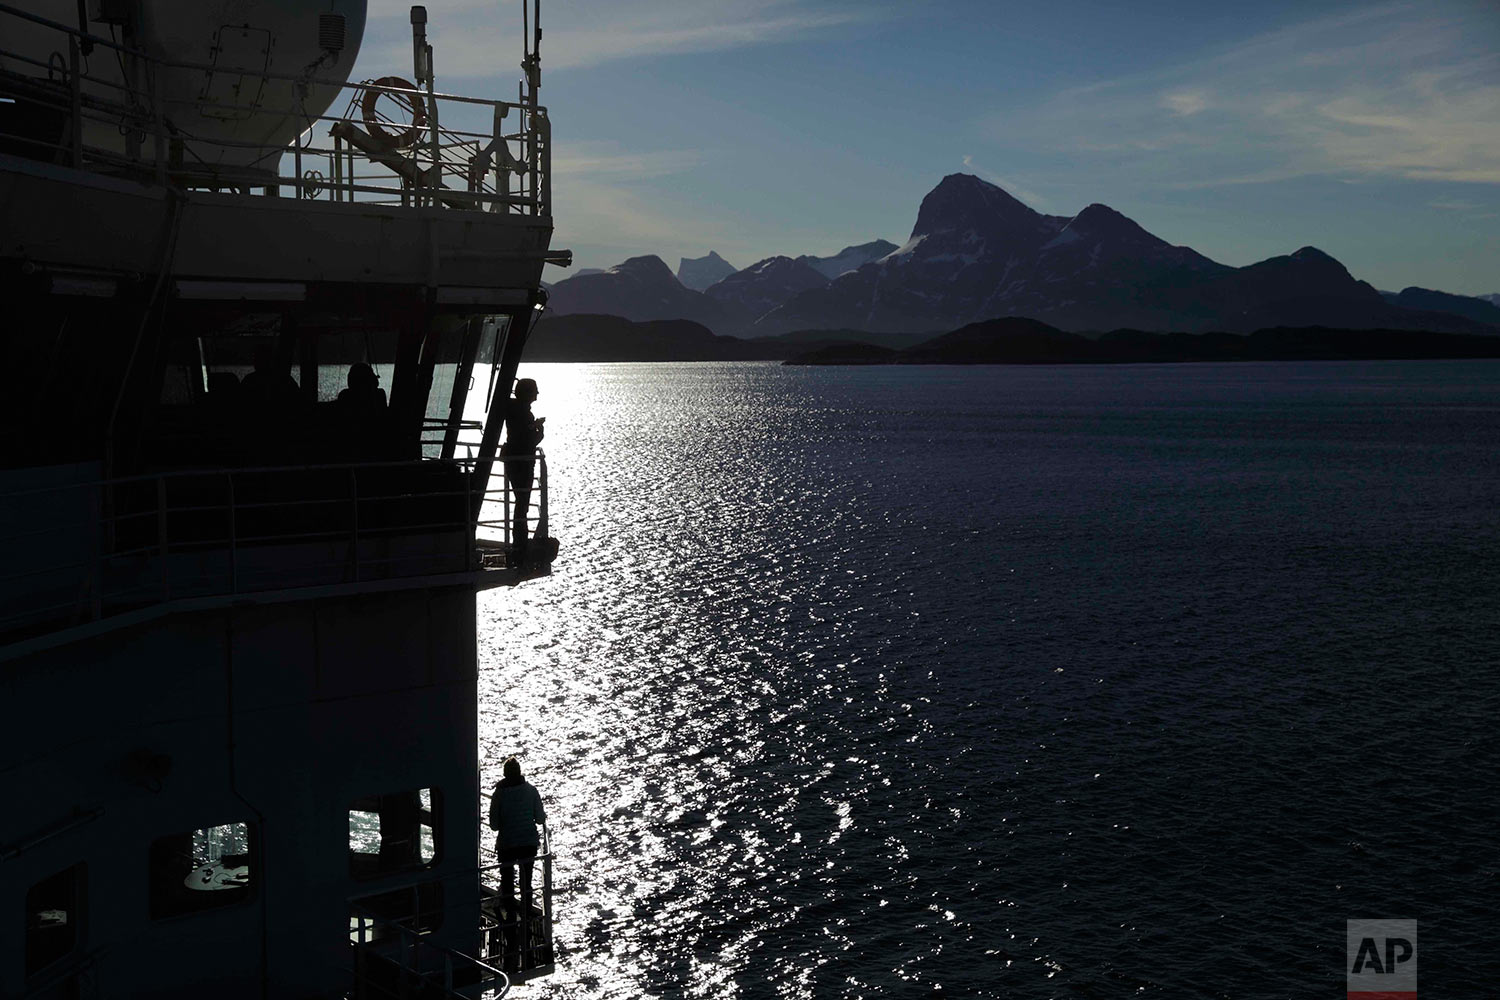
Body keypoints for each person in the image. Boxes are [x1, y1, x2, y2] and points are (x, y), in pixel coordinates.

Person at [488, 757, 547, 911]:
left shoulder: (498, 793)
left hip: (507, 843)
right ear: (520, 772)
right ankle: (526, 910)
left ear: (505, 774)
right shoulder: (531, 790)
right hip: (528, 842)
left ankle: (509, 912)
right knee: (526, 880)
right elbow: (540, 819)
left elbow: (494, 825)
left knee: (507, 879)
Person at [501, 378, 544, 564]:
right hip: (522, 463)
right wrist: (539, 432)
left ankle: (519, 542)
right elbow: (526, 441)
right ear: (527, 393)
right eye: (534, 390)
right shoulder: (523, 414)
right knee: (522, 503)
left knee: (521, 503)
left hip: (513, 460)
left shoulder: (512, 409)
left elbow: (518, 435)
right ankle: (520, 543)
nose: (537, 394)